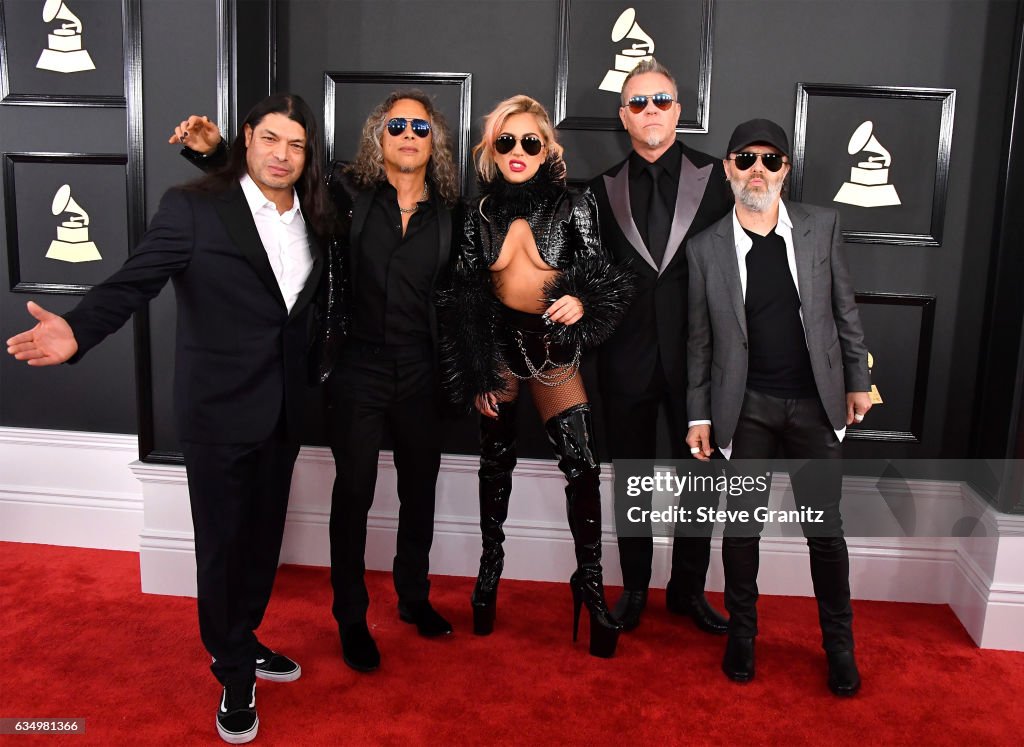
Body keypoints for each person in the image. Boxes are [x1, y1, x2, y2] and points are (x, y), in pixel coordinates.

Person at [8, 93, 330, 744]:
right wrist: (78, 331)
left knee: (264, 540)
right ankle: (233, 668)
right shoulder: (193, 207)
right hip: (216, 408)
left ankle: (245, 637)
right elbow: (135, 280)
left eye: (296, 145)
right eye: (271, 138)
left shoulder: (320, 214)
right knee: (222, 547)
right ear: (248, 138)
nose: (282, 154)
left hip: (287, 408)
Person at [171, 90, 461, 674]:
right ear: (380, 135)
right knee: (353, 494)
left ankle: (413, 597)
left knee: (420, 492)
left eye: (420, 127)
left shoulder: (452, 213)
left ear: (435, 142)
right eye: (397, 125)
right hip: (357, 368)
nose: (409, 134)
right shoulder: (348, 196)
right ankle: (350, 617)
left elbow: (465, 297)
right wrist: (214, 154)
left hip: (422, 370)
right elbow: (273, 182)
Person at [439, 95, 634, 658]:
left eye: (530, 142)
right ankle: (489, 570)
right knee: (494, 461)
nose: (518, 151)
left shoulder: (575, 204)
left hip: (553, 350)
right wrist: (477, 368)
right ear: (490, 150)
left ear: (548, 150)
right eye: (506, 142)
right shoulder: (478, 213)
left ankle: (591, 584)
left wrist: (582, 298)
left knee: (582, 464)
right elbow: (466, 294)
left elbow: (603, 274)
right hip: (497, 350)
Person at [685, 118, 872, 695]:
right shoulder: (704, 249)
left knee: (826, 532)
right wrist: (699, 415)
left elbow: (845, 310)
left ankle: (838, 645)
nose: (757, 170)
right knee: (741, 532)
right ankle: (743, 633)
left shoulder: (822, 227)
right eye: (745, 159)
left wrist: (858, 378)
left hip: (815, 405)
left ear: (786, 169)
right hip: (747, 409)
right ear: (728, 169)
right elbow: (699, 340)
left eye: (770, 160)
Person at [589, 58, 732, 632]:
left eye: (662, 100)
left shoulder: (719, 178)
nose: (651, 111)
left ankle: (688, 591)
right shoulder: (601, 191)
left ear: (679, 110)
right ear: (624, 115)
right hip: (625, 360)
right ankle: (637, 590)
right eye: (639, 102)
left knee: (702, 484)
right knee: (633, 481)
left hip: (701, 363)